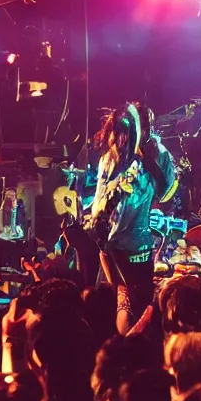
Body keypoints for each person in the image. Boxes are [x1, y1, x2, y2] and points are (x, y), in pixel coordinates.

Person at [84, 103, 175, 332]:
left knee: (136, 305)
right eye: (117, 131)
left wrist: (148, 163)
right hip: (110, 246)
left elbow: (167, 195)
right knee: (107, 307)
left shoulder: (158, 154)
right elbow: (98, 203)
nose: (121, 138)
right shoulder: (110, 158)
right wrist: (98, 219)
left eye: (128, 131)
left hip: (138, 247)